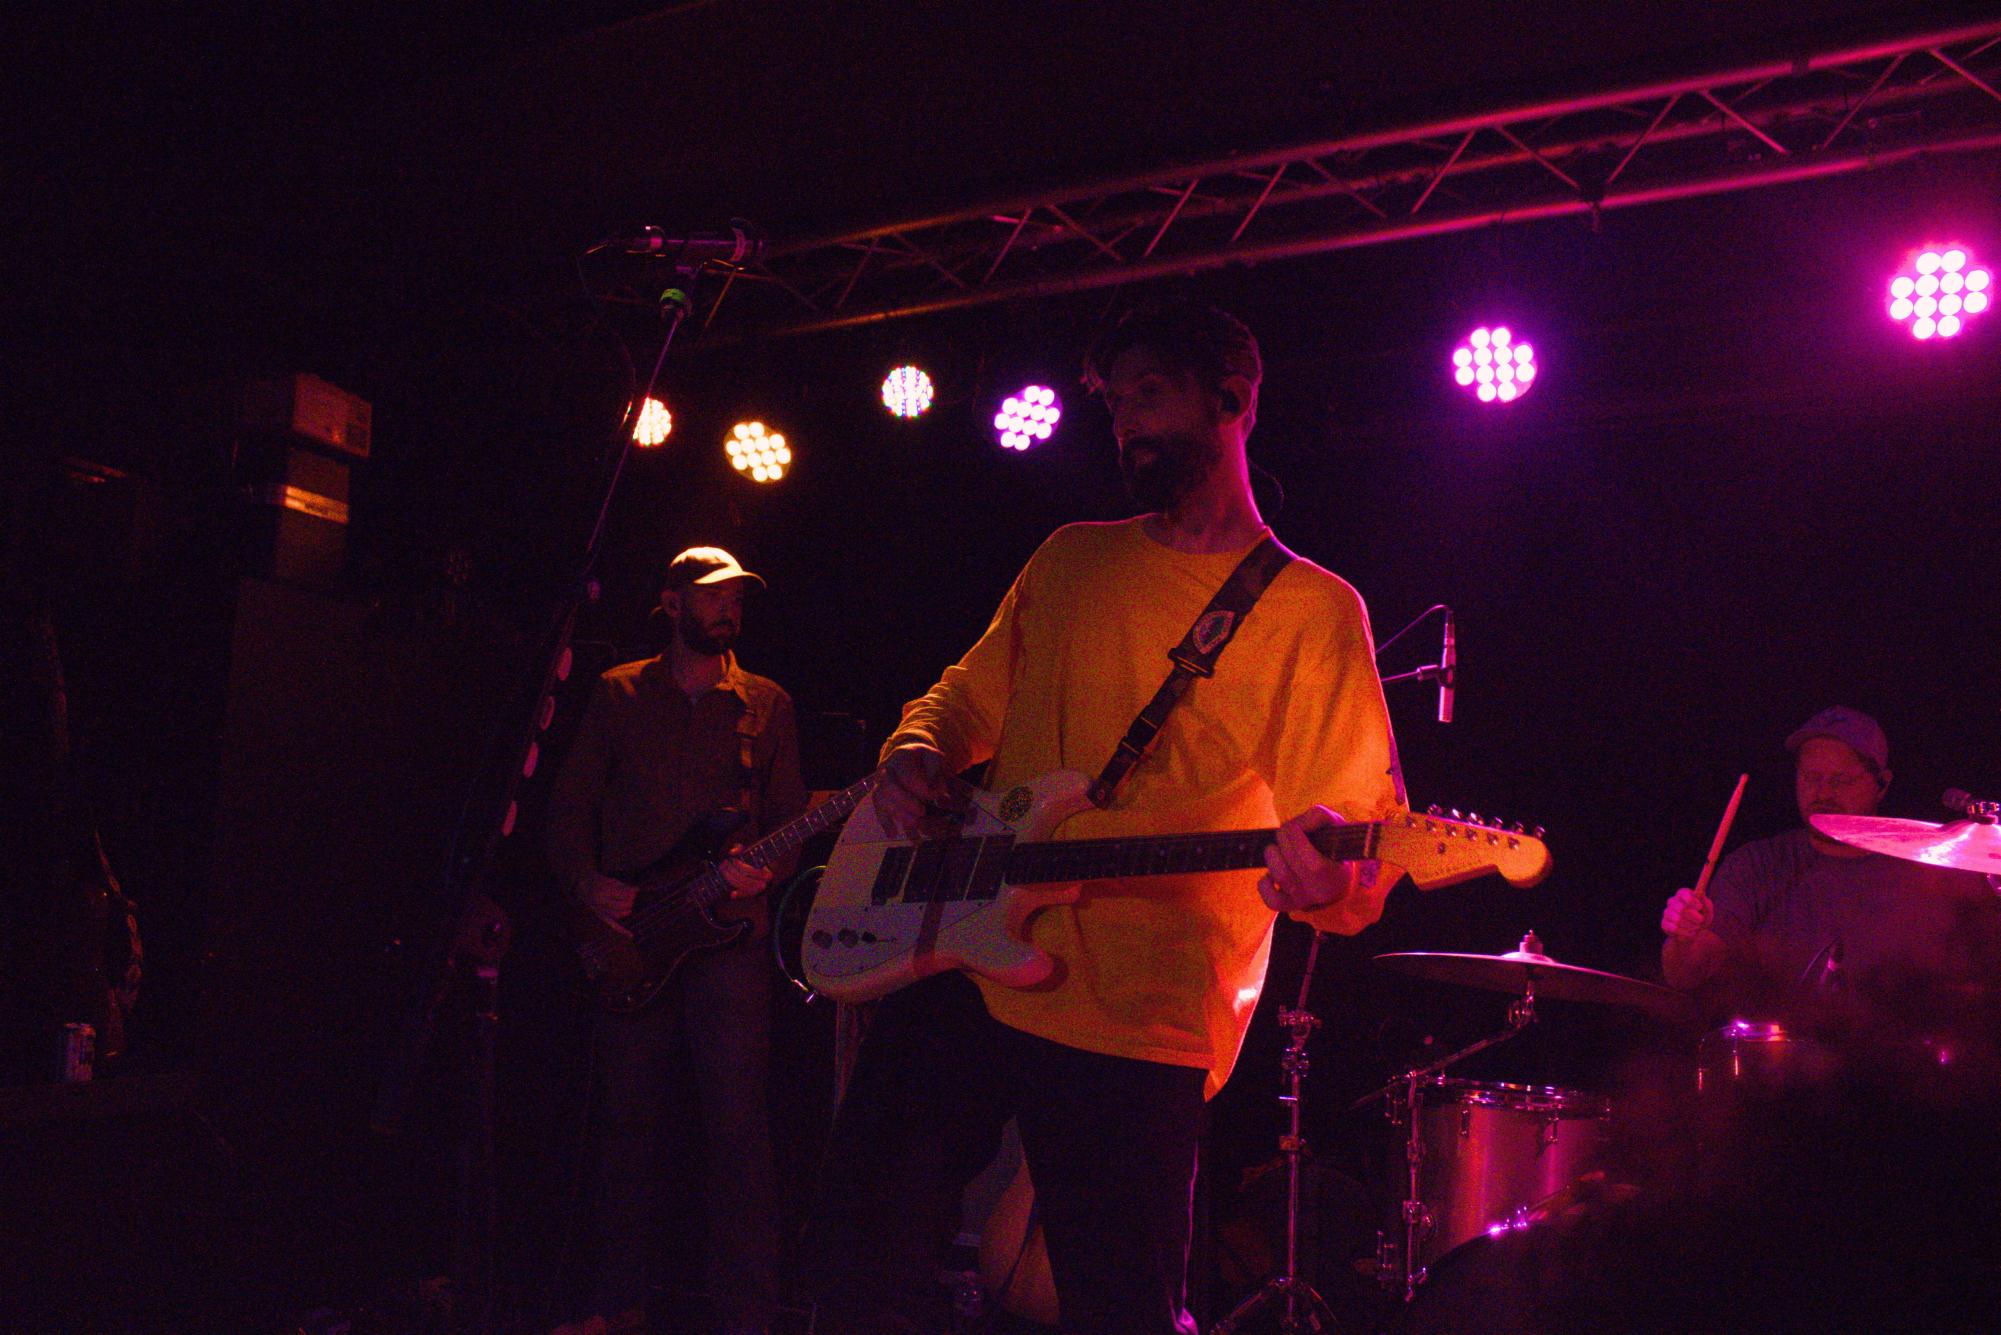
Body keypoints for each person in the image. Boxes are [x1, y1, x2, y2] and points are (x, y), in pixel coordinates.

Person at [805, 303, 1406, 1335]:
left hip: (1142, 1006)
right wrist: (914, 750)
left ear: (1233, 400)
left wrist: (1336, 882)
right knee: (860, 1246)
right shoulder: (1071, 558)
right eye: (1116, 402)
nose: (1126, 423)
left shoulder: (1311, 612)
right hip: (965, 958)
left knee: (1115, 1307)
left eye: (1151, 395)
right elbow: (964, 699)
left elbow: (1352, 827)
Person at [546, 546, 808, 1335]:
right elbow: (566, 810)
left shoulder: (766, 704)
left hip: (728, 942)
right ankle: (612, 1305)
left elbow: (789, 819)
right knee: (625, 1125)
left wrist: (765, 868)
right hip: (635, 940)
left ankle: (746, 1319)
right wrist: (590, 886)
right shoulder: (617, 691)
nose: (727, 607)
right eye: (712, 594)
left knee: (736, 1129)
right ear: (670, 601)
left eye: (736, 597)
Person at [1659, 706, 1999, 1011]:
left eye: (1840, 781)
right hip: (1780, 1071)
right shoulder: (1757, 867)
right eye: (1810, 778)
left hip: (1898, 1066)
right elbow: (1685, 976)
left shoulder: (1930, 872)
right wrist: (1684, 939)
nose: (1822, 794)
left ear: (1881, 785)